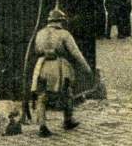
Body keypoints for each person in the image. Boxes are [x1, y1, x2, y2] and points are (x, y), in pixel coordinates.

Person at [31, 7, 93, 137]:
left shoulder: (40, 33)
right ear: (60, 21)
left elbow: (36, 50)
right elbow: (76, 53)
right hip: (59, 67)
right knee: (67, 93)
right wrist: (87, 68)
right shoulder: (64, 34)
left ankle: (42, 125)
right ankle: (67, 120)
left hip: (41, 66)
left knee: (42, 96)